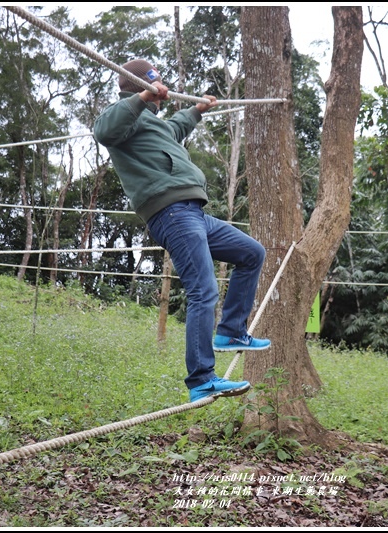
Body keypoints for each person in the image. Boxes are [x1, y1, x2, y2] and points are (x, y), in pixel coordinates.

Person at [93, 59, 271, 403]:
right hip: (171, 213)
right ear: (142, 88)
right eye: (155, 88)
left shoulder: (154, 125)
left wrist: (198, 110)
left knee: (252, 253)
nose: (161, 96)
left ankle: (231, 331)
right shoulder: (124, 116)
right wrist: (142, 97)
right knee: (203, 291)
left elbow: (175, 127)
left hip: (194, 213)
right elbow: (103, 131)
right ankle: (202, 379)